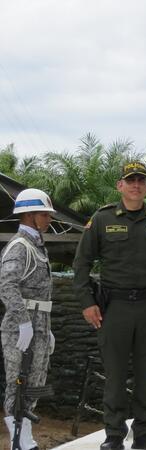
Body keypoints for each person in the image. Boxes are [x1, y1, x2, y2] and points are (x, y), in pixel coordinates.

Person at [73, 161, 146, 450]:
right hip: (115, 308)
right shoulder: (101, 219)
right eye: (130, 180)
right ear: (119, 185)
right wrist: (87, 302)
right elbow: (81, 263)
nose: (136, 185)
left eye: (141, 181)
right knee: (116, 375)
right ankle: (113, 436)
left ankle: (145, 434)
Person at [1, 188, 56, 450]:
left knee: (36, 381)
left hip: (39, 325)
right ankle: (19, 440)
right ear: (30, 215)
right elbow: (6, 286)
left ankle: (26, 435)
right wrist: (23, 322)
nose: (49, 219)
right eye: (45, 214)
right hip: (19, 329)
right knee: (17, 382)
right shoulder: (19, 247)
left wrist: (45, 328)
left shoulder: (38, 247)